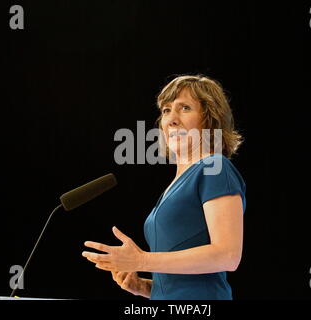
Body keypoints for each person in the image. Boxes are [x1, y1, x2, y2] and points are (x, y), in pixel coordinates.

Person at [82, 75, 246, 300]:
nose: (171, 119)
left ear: (210, 119)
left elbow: (227, 255)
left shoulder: (214, 168)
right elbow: (184, 283)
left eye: (185, 108)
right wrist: (145, 287)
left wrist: (141, 260)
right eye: (166, 110)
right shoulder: (177, 183)